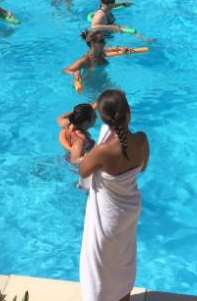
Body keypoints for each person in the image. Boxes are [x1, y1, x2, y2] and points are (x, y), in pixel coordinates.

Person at [77, 89, 149, 301]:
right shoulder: (142, 139)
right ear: (129, 112)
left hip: (109, 216)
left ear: (102, 119)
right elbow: (142, 168)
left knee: (100, 266)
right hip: (130, 211)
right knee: (123, 258)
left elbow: (83, 172)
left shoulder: (102, 151)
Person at [64, 30, 130, 89]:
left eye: (104, 40)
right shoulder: (86, 60)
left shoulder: (100, 51)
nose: (104, 43)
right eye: (101, 41)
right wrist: (74, 73)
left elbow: (107, 48)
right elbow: (66, 70)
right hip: (93, 89)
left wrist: (119, 48)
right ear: (93, 43)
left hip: (105, 83)